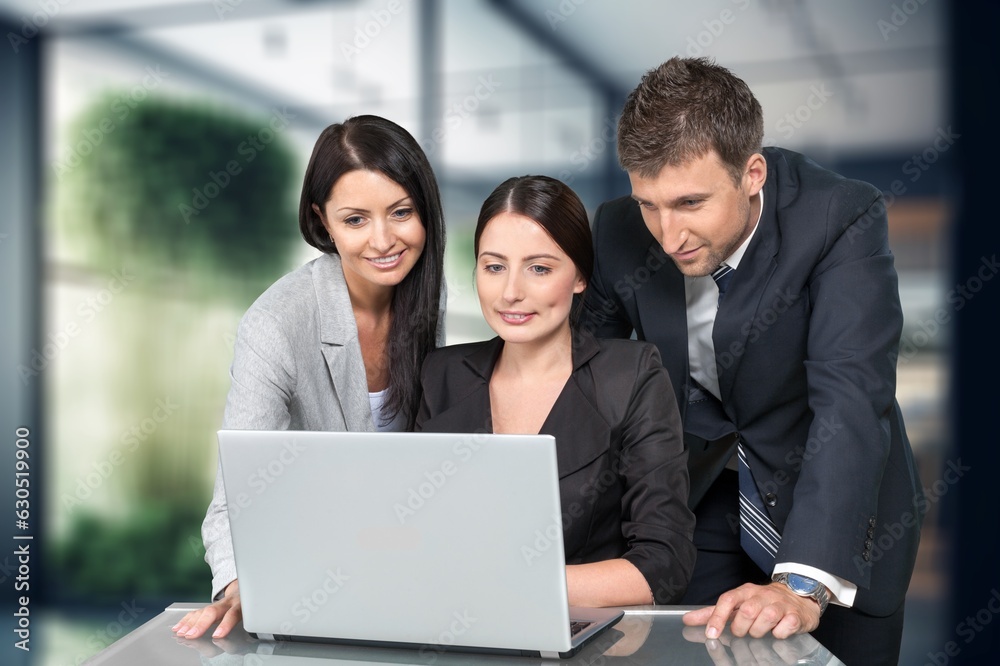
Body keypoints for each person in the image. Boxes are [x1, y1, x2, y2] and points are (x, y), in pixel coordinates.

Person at [580, 57, 923, 665]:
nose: (667, 234)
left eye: (689, 203)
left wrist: (802, 585)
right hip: (703, 495)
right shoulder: (616, 231)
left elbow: (850, 398)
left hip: (833, 503)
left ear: (753, 173)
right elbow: (589, 391)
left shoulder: (840, 217)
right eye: (648, 204)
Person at [172, 115, 446, 640]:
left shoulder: (422, 295)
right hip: (315, 585)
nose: (384, 240)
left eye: (401, 212)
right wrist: (239, 584)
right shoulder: (276, 324)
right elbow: (234, 497)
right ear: (323, 221)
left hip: (405, 578)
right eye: (356, 220)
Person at [416, 175, 696, 606]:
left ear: (580, 276)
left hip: (588, 641)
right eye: (494, 267)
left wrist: (515, 586)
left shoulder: (631, 375)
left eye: (539, 268)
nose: (511, 292)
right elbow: (418, 536)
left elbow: (664, 562)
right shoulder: (442, 375)